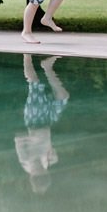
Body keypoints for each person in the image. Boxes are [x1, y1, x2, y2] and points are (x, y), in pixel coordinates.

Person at [14, 54, 69, 194]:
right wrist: (53, 155)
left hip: (34, 119)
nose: (41, 169)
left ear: (33, 174)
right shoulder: (45, 164)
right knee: (63, 96)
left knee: (34, 83)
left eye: (39, 172)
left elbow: (18, 138)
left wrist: (32, 139)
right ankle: (47, 67)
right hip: (48, 121)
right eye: (43, 172)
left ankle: (26, 56)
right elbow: (50, 151)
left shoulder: (26, 161)